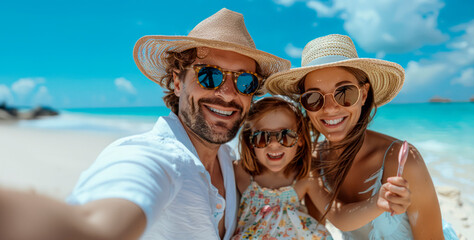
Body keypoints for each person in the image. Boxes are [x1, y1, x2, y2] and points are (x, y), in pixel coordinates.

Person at [0, 8, 290, 240]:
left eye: (245, 81)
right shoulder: (154, 157)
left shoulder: (228, 160)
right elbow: (95, 224)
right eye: (210, 76)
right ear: (177, 81)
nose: (228, 93)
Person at [266, 34, 458, 240]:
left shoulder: (401, 159)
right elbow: (316, 233)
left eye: (344, 93)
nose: (330, 109)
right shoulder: (313, 162)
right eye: (313, 97)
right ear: (305, 105)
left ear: (364, 95)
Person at [231, 97, 411, 239]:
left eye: (285, 136)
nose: (274, 145)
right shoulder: (240, 173)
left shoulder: (304, 177)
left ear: (300, 140)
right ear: (249, 140)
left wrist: (377, 203)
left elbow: (339, 216)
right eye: (262, 137)